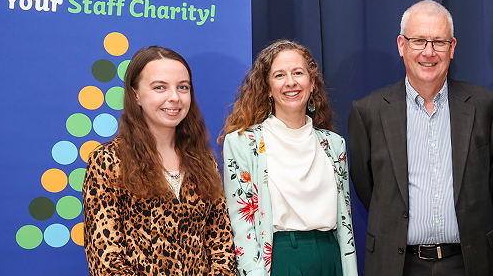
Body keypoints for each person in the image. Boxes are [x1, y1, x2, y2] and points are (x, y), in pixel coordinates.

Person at [348, 0, 493, 276]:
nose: (429, 52)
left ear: (452, 48)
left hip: (469, 262)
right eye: (419, 41)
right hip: (397, 265)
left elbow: (490, 183)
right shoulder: (368, 111)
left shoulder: (485, 106)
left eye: (439, 42)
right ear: (401, 45)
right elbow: (368, 188)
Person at [83, 46, 235, 276]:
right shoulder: (108, 161)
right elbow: (106, 259)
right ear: (136, 94)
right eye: (159, 87)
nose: (174, 97)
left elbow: (221, 245)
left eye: (182, 87)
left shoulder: (204, 162)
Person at [219, 40, 358, 276]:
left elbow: (345, 226)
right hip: (279, 262)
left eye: (298, 73)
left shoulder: (334, 145)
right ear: (267, 87)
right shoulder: (243, 143)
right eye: (279, 75)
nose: (290, 82)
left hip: (330, 259)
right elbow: (241, 225)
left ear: (312, 83)